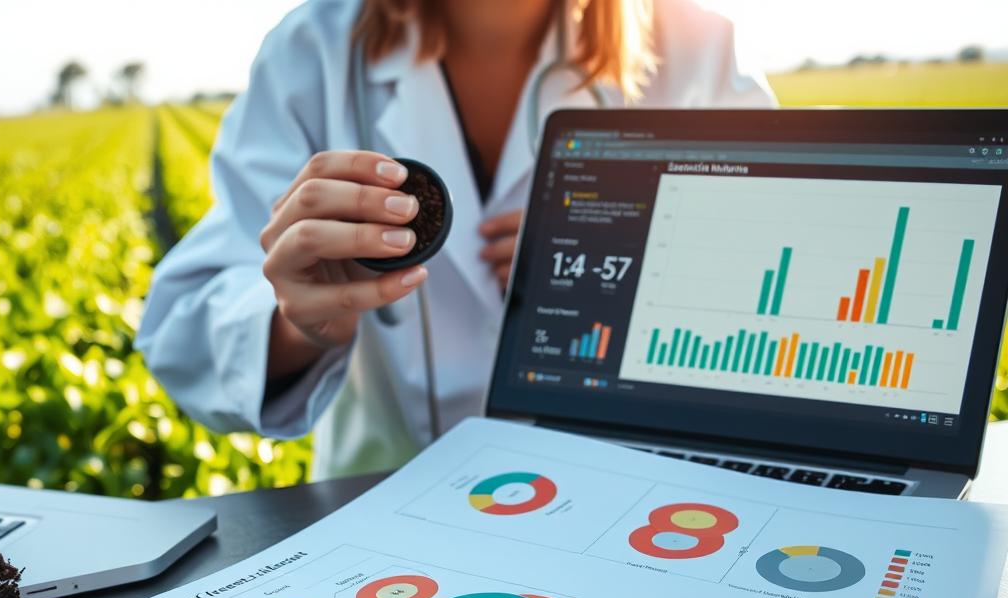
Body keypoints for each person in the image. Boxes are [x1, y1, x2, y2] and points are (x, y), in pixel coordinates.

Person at [137, 0, 774, 479]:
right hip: (386, 515)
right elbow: (185, 330)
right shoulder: (312, 51)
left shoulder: (697, 48)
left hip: (640, 500)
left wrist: (648, 268)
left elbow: (781, 284)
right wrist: (300, 321)